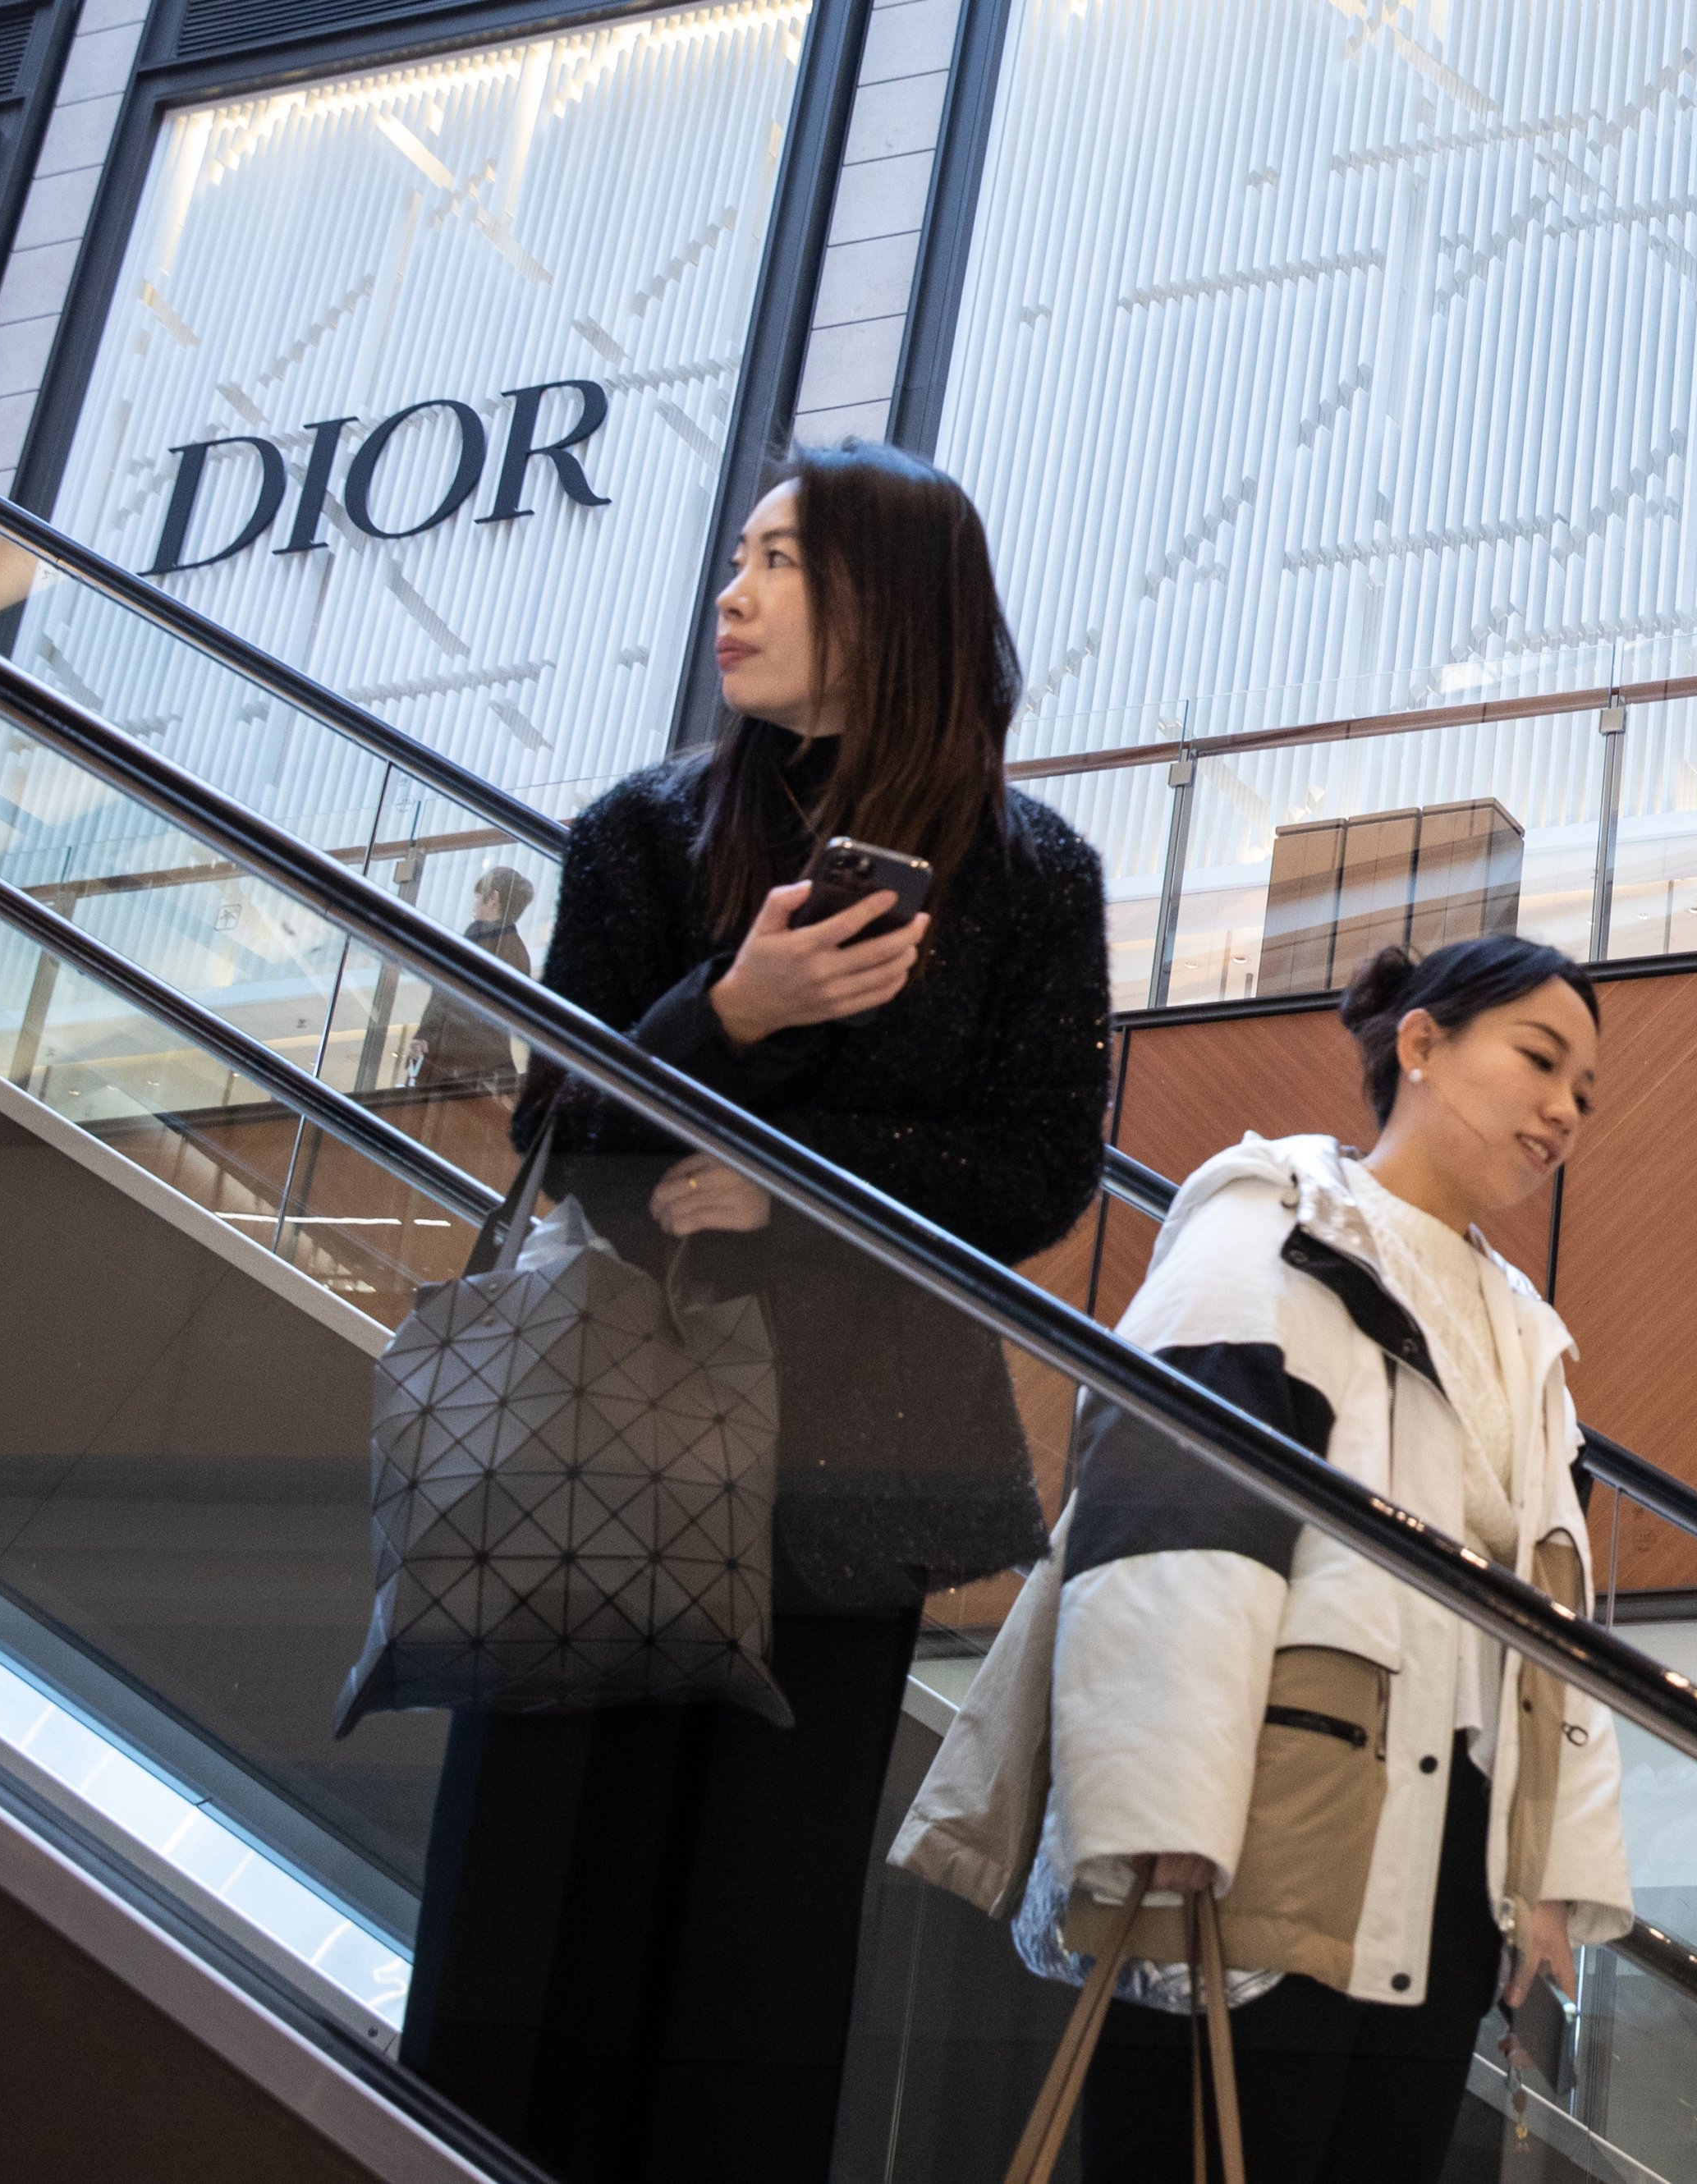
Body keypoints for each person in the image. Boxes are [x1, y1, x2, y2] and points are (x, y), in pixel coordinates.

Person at [397, 439, 1111, 2182]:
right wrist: (733, 1007)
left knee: (755, 1964)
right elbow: (561, 1132)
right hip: (602, 1438)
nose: (732, 592)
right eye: (735, 558)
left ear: (893, 601)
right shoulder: (644, 832)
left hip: (844, 1459)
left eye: (780, 561)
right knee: (530, 1913)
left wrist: (799, 1181)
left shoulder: (1031, 874)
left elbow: (1037, 1171)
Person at [1039, 934, 1633, 2181]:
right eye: (1538, 1059)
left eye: (1583, 1089)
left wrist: (1547, 1884)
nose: (1562, 1109)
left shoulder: (1529, 1335)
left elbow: (1554, 1634)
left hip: (1449, 1846)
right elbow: (1162, 1518)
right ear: (1418, 1045)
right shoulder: (1273, 1225)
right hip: (1271, 1804)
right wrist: (1160, 1804)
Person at [404, 865, 536, 1090]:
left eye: (478, 897)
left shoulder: (480, 932)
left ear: (493, 898)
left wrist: (424, 1036)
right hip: (493, 1063)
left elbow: (449, 990)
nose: (475, 905)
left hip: (458, 1061)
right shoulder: (521, 952)